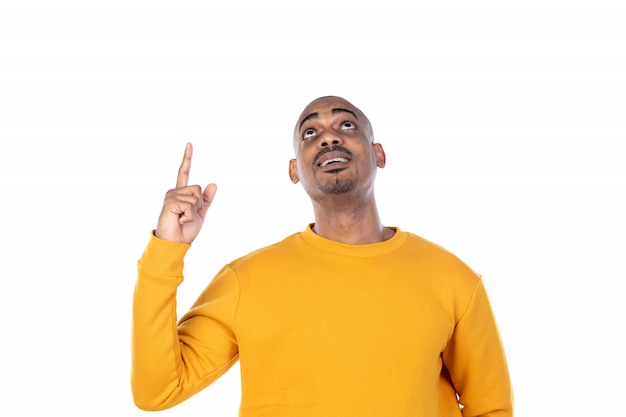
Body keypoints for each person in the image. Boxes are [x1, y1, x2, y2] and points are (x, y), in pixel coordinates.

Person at [131, 96, 514, 416]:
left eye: (347, 126)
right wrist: (167, 250)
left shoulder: (452, 279)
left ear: (378, 153)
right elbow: (157, 390)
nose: (329, 138)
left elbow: (491, 408)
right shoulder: (246, 279)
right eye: (310, 133)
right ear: (294, 170)